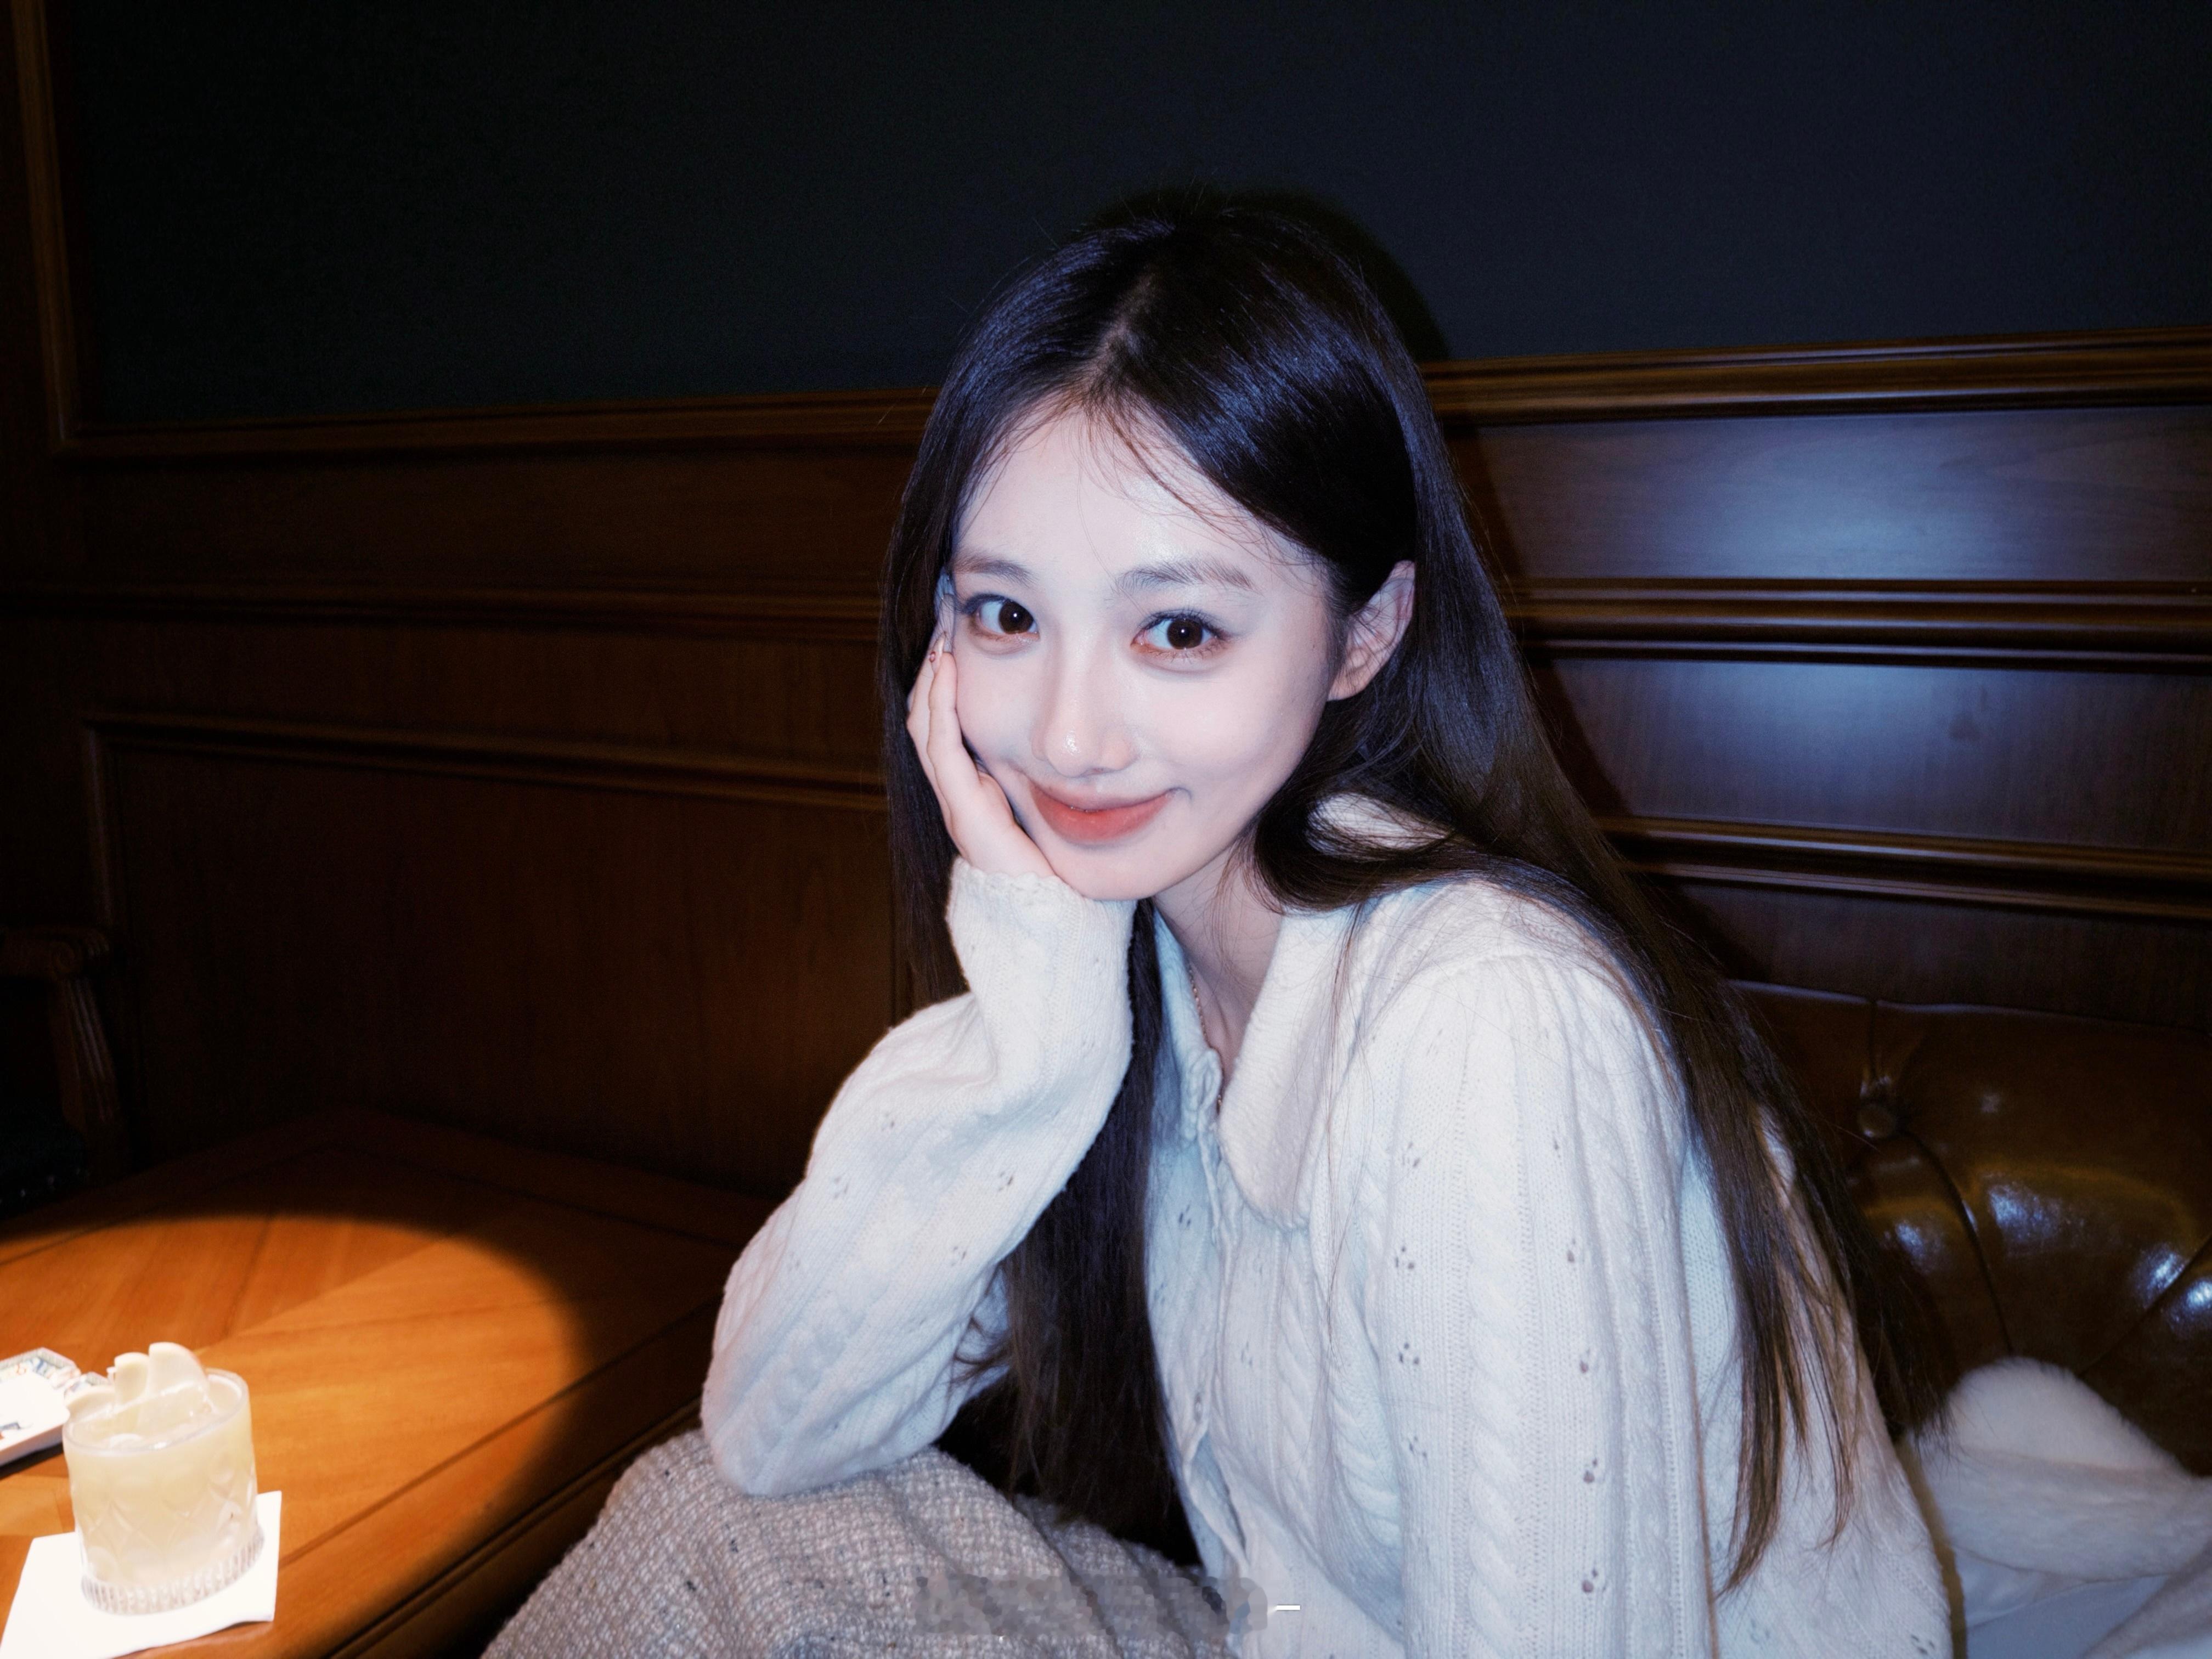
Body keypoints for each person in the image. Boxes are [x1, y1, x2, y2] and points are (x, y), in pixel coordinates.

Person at [699, 198, 1952, 1657]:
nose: (1068, 736)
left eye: (1179, 630)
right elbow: (775, 1433)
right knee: (712, 1527)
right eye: (1006, 617)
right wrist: (1033, 1027)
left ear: (1365, 633)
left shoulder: (1486, 1024)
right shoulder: (1144, 955)